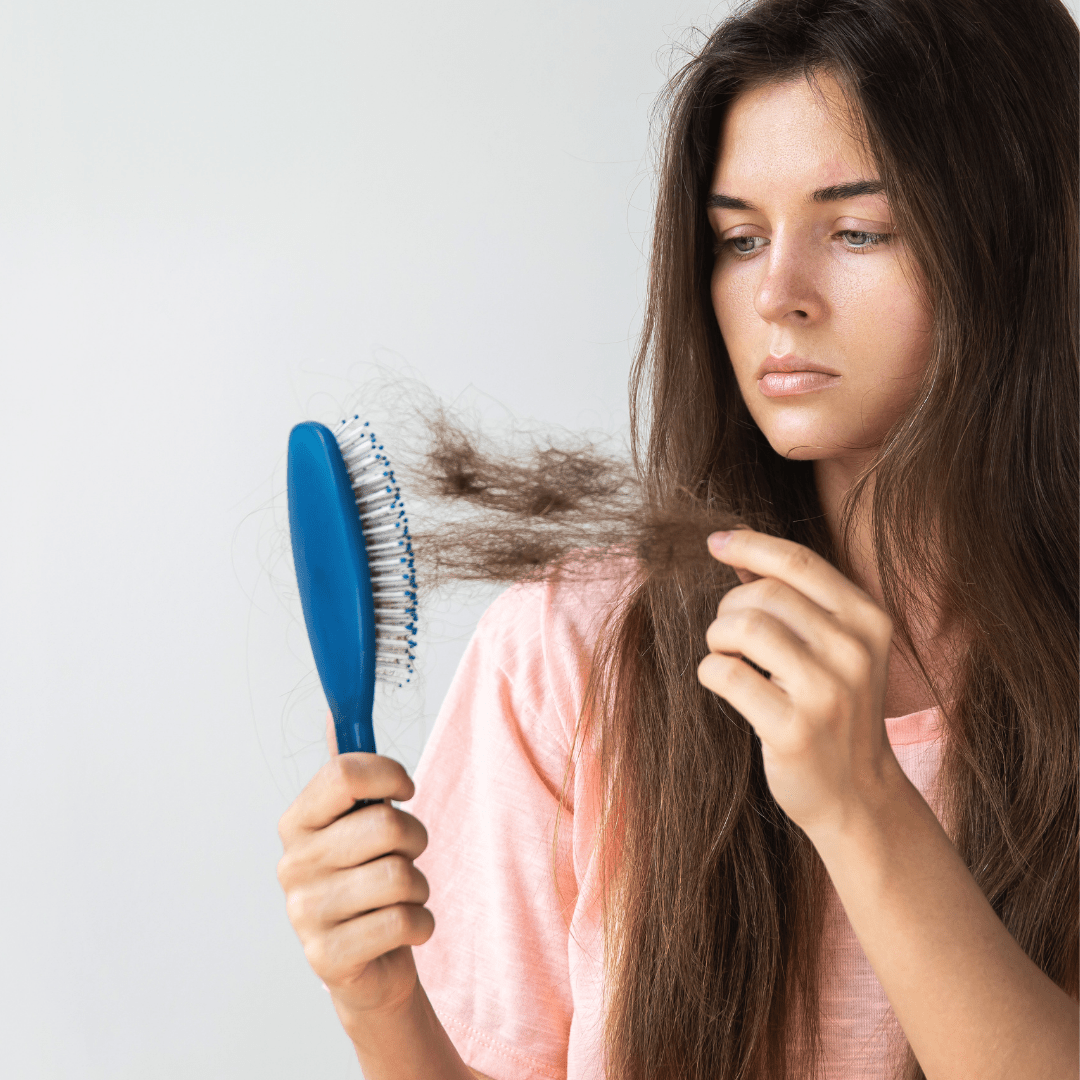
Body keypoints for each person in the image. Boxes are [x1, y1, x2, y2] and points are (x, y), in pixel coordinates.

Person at [275, 1, 1079, 1077]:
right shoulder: (570, 651)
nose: (777, 297)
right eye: (739, 238)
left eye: (857, 230)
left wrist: (865, 805)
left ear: (1021, 238)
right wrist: (379, 1005)